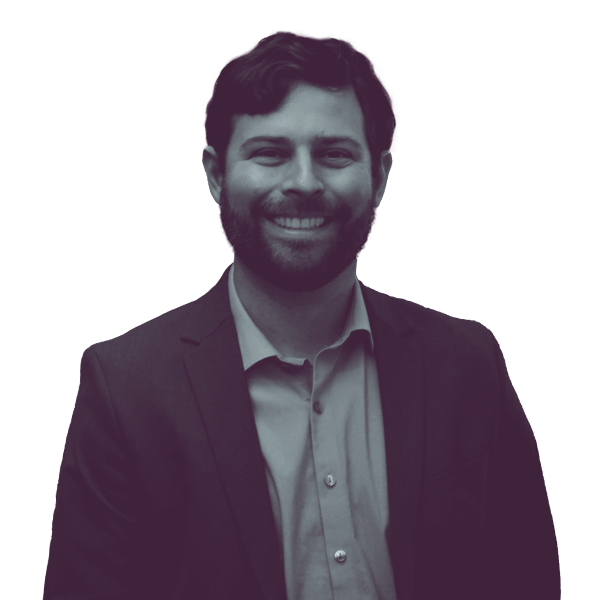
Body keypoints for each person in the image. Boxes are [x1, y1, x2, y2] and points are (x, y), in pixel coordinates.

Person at [45, 32, 560, 600]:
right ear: (216, 174)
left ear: (379, 176)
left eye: (335, 154)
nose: (304, 183)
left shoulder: (469, 368)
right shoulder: (127, 392)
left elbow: (531, 575)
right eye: (269, 153)